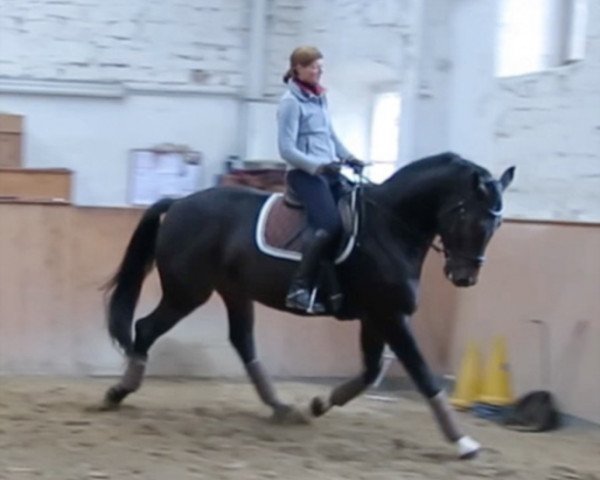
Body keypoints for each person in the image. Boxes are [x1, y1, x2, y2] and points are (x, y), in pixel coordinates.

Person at [277, 46, 364, 314]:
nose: (319, 71)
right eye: (314, 66)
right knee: (328, 224)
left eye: (320, 66)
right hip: (304, 175)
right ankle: (299, 288)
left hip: (328, 173)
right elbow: (286, 149)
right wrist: (318, 167)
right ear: (298, 69)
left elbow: (330, 136)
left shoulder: (319, 98)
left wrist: (349, 158)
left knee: (359, 209)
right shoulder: (290, 103)